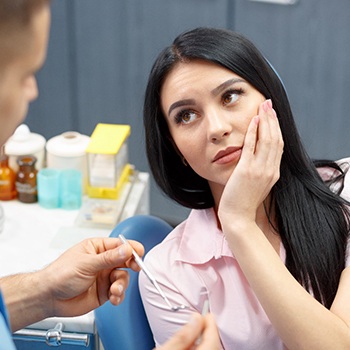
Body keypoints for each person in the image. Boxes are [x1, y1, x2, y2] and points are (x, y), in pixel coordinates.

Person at [0, 1, 220, 349]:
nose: (33, 92)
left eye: (232, 95)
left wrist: (41, 291)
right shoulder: (170, 273)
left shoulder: (338, 210)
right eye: (25, 74)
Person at [140, 27, 350, 349]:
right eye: (186, 115)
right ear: (175, 148)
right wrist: (238, 222)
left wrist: (239, 221)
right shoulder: (167, 275)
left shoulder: (346, 192)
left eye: (230, 96)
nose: (217, 128)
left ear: (270, 99)